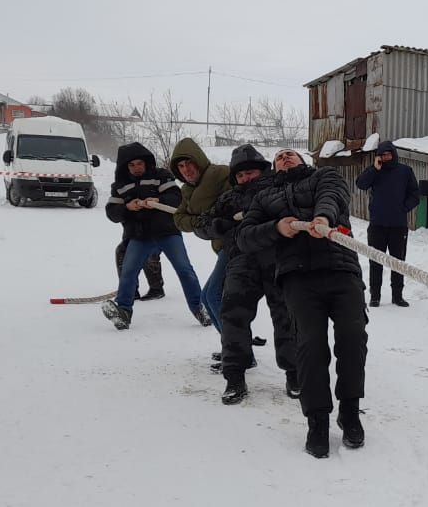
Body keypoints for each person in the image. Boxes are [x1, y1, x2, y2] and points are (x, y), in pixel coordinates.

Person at [235, 149, 368, 459]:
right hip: (297, 278)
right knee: (309, 345)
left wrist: (322, 219)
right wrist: (278, 228)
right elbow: (245, 237)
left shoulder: (323, 176)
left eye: (289, 154)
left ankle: (350, 412)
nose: (284, 158)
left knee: (352, 337)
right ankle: (317, 420)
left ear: (302, 160)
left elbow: (332, 197)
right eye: (279, 157)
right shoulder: (264, 197)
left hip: (340, 269)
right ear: (273, 167)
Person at [206, 145, 299, 405]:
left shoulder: (278, 188)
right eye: (241, 175)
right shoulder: (228, 199)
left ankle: (294, 373)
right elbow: (204, 223)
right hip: (242, 260)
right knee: (233, 314)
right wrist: (217, 225)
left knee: (285, 315)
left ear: (263, 170)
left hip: (277, 258)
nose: (247, 178)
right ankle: (234, 376)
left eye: (251, 172)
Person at [101, 142, 211, 331]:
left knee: (185, 270)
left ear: (146, 163)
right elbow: (112, 212)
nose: (136, 168)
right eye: (132, 165)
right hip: (139, 236)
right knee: (128, 272)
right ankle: (123, 311)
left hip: (167, 232)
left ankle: (200, 309)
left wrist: (158, 200)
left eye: (139, 164)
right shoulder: (119, 185)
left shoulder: (161, 176)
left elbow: (177, 197)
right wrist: (128, 207)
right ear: (125, 166)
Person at [170, 138, 231, 332]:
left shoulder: (220, 173)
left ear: (199, 160)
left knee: (213, 295)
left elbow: (232, 204)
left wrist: (211, 219)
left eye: (189, 163)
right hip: (221, 246)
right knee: (207, 297)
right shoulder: (187, 190)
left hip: (235, 244)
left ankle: (238, 354)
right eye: (181, 166)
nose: (186, 170)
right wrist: (199, 223)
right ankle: (230, 348)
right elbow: (179, 219)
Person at [356, 141, 419, 308]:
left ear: (394, 154)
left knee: (398, 262)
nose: (385, 158)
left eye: (388, 154)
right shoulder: (375, 171)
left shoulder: (405, 171)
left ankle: (397, 296)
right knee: (375, 261)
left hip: (398, 226)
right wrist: (374, 169)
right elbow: (360, 184)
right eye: (382, 155)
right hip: (377, 225)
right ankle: (375, 296)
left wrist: (403, 208)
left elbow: (415, 194)